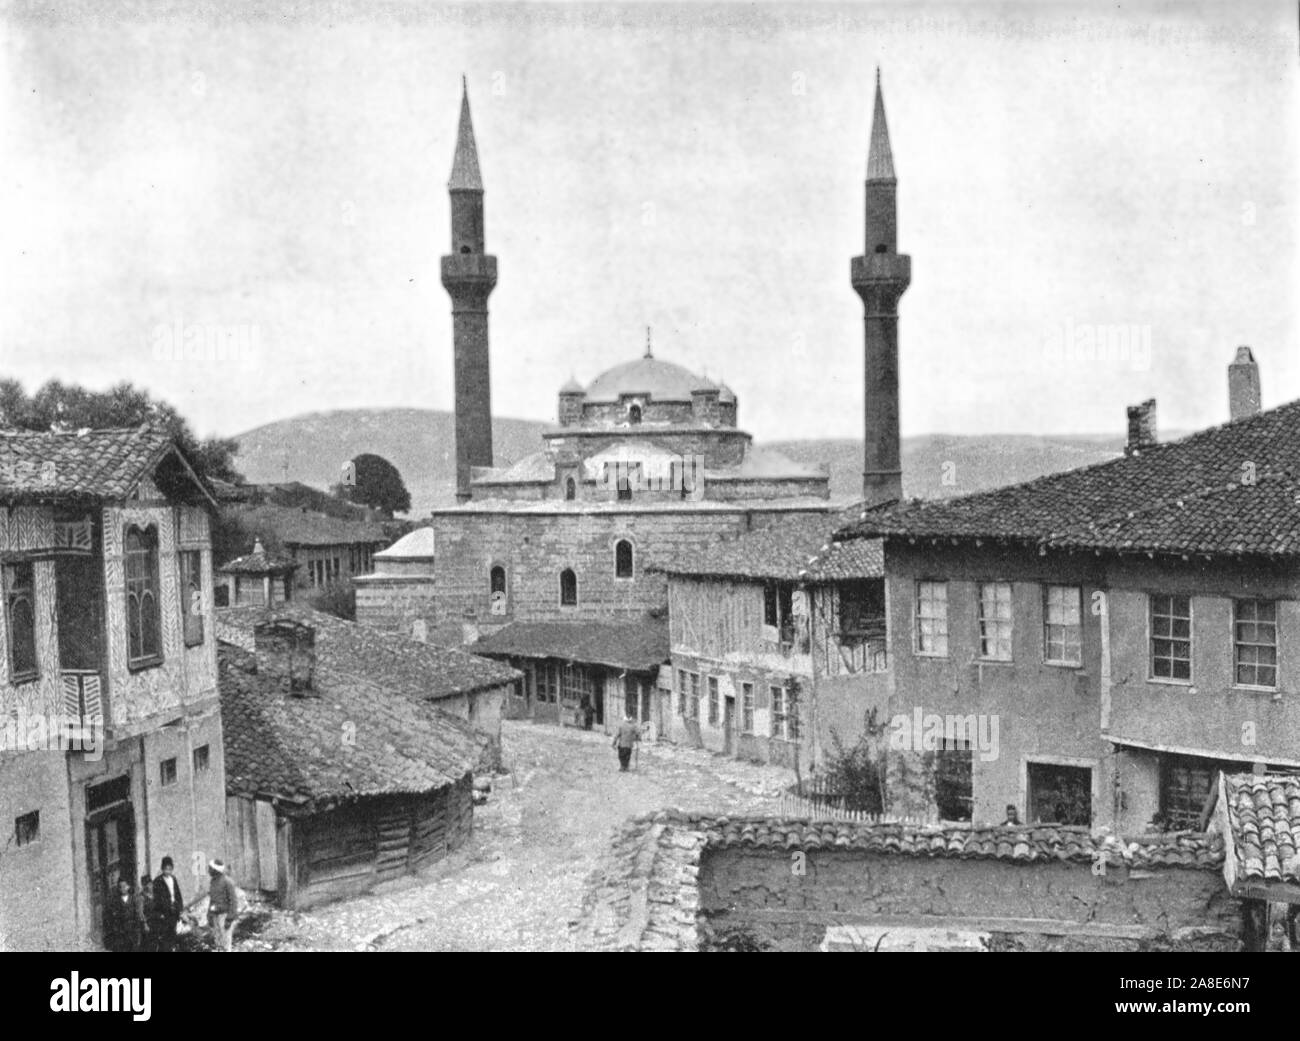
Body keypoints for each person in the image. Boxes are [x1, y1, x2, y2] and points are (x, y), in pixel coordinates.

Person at [150, 856, 185, 952]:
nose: (167, 871)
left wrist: (180, 908)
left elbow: (178, 894)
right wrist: (160, 913)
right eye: (165, 869)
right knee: (165, 938)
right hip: (164, 914)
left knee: (173, 935)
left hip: (174, 911)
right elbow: (157, 899)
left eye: (170, 869)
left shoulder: (173, 879)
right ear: (162, 869)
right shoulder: (158, 881)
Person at [207, 859, 239, 952]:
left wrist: (229, 919)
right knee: (218, 943)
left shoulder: (227, 882)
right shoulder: (213, 882)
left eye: (210, 868)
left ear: (215, 870)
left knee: (225, 944)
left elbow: (233, 901)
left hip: (224, 916)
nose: (208, 870)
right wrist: (209, 915)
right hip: (215, 916)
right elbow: (212, 900)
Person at [105, 877, 143, 952]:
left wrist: (138, 932)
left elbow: (137, 915)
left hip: (132, 932)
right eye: (120, 887)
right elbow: (114, 918)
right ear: (118, 888)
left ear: (128, 886)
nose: (123, 888)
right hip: (121, 933)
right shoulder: (116, 901)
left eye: (124, 886)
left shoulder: (133, 899)